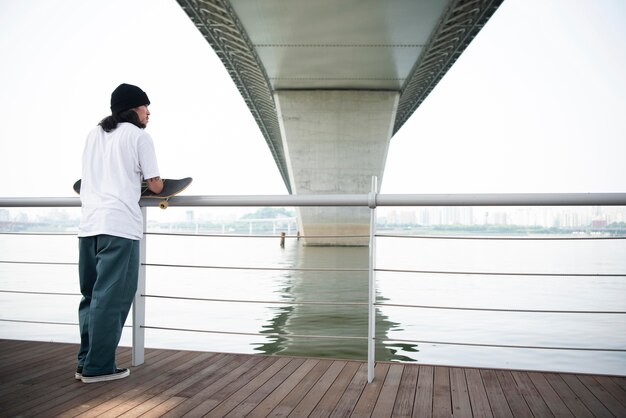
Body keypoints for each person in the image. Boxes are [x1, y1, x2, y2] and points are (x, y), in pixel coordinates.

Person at [76, 83, 163, 383]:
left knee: (91, 296)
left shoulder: (93, 134)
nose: (149, 113)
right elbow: (156, 185)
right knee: (112, 299)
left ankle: (85, 362)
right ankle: (98, 368)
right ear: (132, 109)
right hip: (120, 228)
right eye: (144, 107)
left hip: (88, 225)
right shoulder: (139, 137)